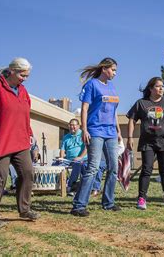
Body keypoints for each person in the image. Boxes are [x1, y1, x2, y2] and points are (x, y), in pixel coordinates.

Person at [0, 57, 40, 228]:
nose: (24, 78)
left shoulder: (23, 91)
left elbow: (25, 117)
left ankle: (24, 209)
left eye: (27, 76)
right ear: (12, 71)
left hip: (20, 142)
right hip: (0, 142)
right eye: (22, 75)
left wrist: (30, 134)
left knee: (27, 174)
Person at [71, 57, 123, 217]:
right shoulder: (92, 84)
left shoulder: (112, 87)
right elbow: (85, 108)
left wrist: (118, 130)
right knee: (93, 167)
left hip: (111, 133)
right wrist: (84, 129)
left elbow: (113, 112)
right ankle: (79, 205)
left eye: (115, 70)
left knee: (114, 168)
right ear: (104, 68)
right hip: (95, 131)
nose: (115, 73)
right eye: (113, 69)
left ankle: (108, 202)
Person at [126, 77, 164, 210]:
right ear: (151, 89)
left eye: (163, 86)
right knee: (146, 169)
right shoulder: (141, 103)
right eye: (158, 86)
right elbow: (132, 120)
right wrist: (130, 137)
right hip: (148, 142)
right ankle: (142, 198)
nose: (161, 89)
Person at [53, 118, 105, 196]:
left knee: (77, 164)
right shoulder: (66, 137)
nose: (72, 127)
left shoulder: (83, 134)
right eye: (70, 125)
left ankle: (70, 186)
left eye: (74, 125)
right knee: (54, 164)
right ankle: (54, 186)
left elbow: (86, 148)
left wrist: (80, 157)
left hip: (82, 159)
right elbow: (62, 149)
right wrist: (61, 158)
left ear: (78, 126)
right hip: (68, 160)